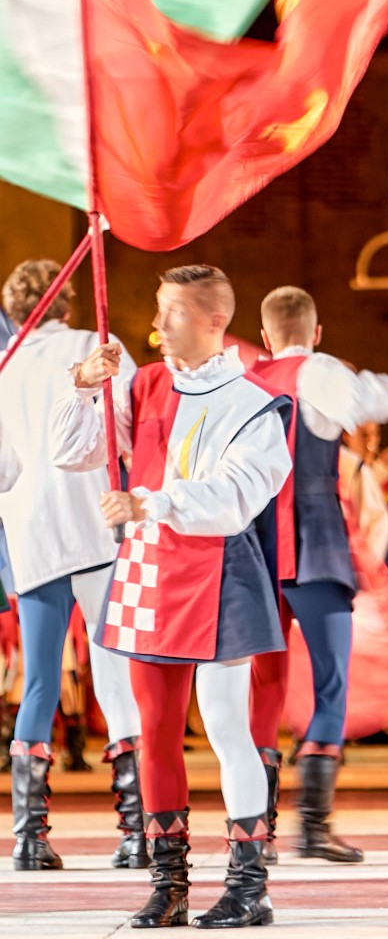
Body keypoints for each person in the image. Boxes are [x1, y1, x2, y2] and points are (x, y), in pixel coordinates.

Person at [51, 265, 292, 930]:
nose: (156, 326)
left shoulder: (253, 401)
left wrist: (149, 501)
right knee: (154, 733)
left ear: (215, 321)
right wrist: (82, 390)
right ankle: (169, 887)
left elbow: (239, 495)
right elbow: (72, 453)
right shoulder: (146, 385)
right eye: (158, 310)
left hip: (217, 574)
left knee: (225, 728)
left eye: (173, 313)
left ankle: (249, 885)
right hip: (148, 573)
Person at [247, 285, 388, 863]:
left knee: (262, 684)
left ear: (265, 333)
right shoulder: (321, 370)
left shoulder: (244, 379)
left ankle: (256, 830)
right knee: (331, 681)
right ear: (316, 331)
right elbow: (365, 401)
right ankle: (313, 826)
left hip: (254, 543)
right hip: (315, 541)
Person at [0, 259, 145, 872]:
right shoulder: (98, 345)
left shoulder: (3, 369)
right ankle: (137, 830)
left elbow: (3, 470)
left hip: (32, 533)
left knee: (38, 680)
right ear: (68, 304)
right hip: (96, 524)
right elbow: (134, 428)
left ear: (14, 312)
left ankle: (29, 837)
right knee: (114, 673)